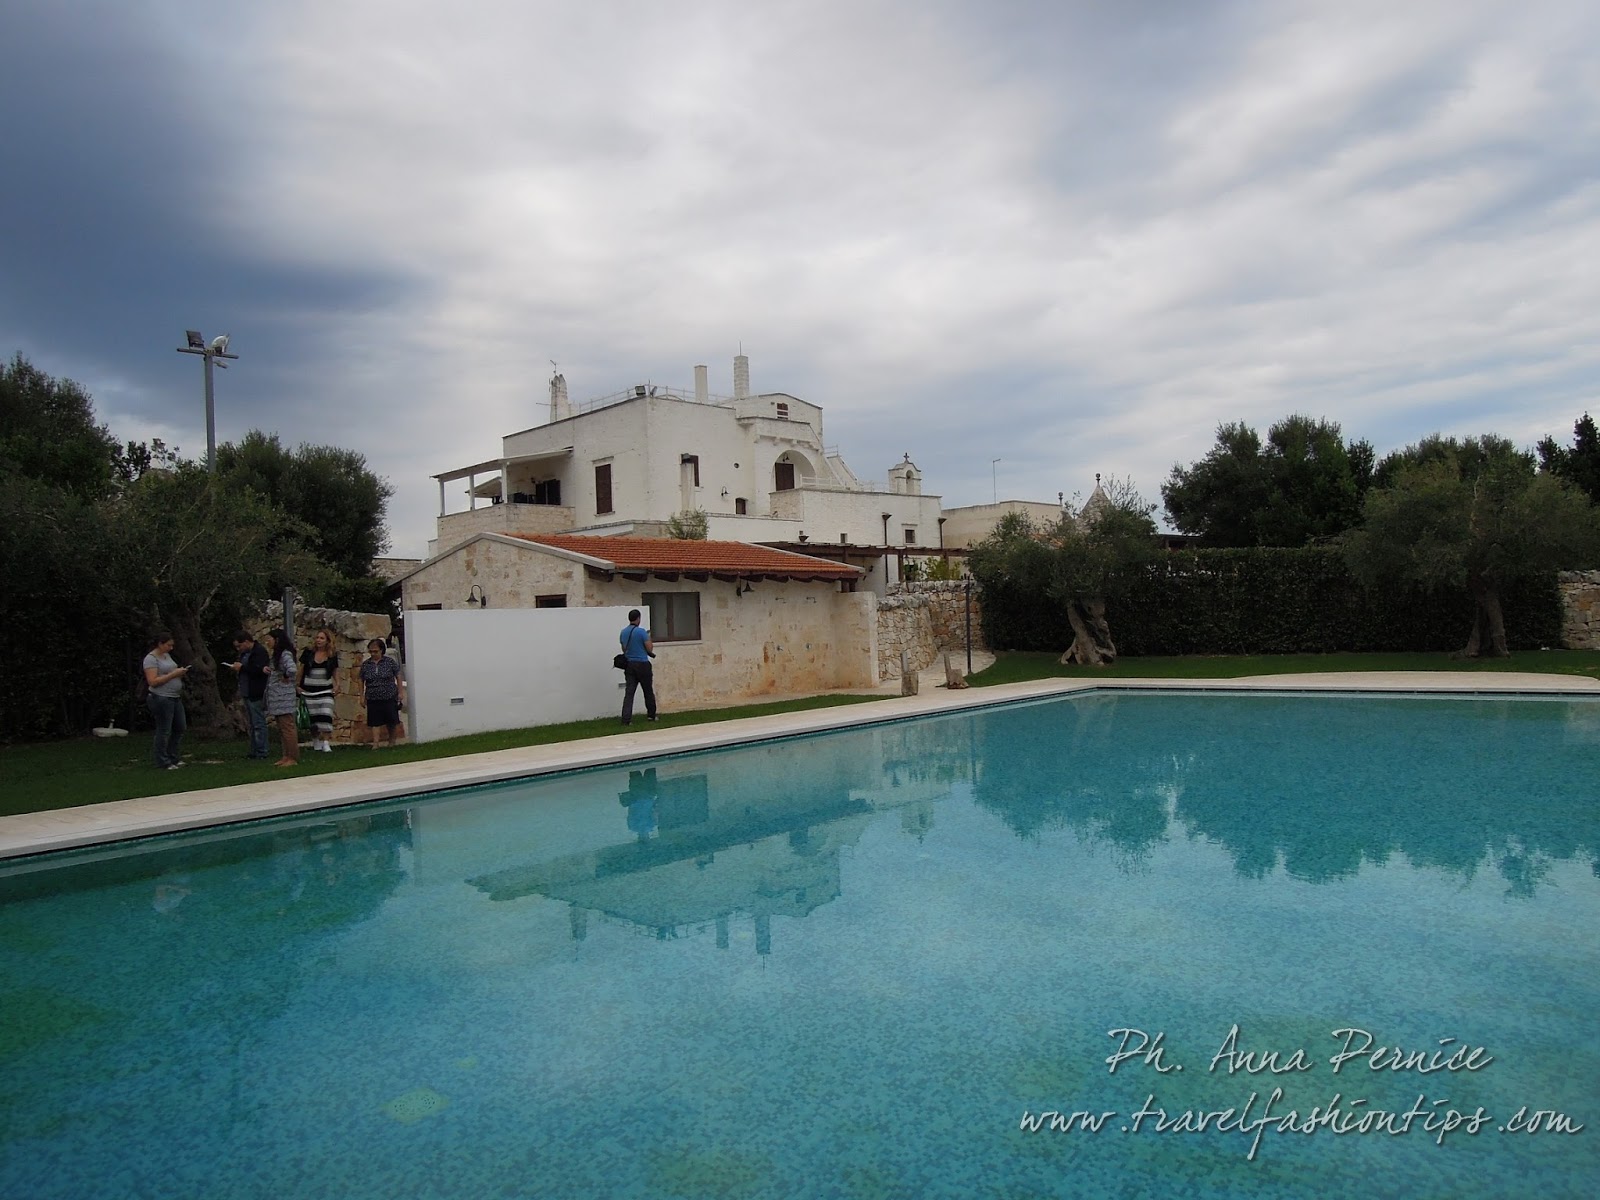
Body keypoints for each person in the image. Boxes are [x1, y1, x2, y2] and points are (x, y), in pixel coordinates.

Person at [141, 632, 190, 769]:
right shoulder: (150, 659)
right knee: (164, 729)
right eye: (168, 645)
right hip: (161, 697)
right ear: (160, 644)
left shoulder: (166, 655)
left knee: (180, 727)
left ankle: (173, 756)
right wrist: (173, 674)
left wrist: (179, 673)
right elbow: (153, 681)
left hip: (175, 696)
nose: (171, 648)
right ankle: (162, 760)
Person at [226, 631, 271, 759]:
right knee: (251, 723)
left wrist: (242, 668)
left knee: (258, 723)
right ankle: (254, 749)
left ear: (246, 642)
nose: (238, 649)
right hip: (246, 690)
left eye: (239, 646)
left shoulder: (259, 652)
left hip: (255, 691)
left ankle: (262, 750)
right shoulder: (245, 654)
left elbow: (259, 670)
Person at [357, 639, 404, 749]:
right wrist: (361, 696)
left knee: (391, 720)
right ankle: (376, 743)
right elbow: (360, 679)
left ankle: (392, 741)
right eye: (371, 651)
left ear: (381, 650)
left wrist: (400, 692)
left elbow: (398, 675)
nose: (373, 654)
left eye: (375, 651)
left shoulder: (389, 662)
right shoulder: (366, 664)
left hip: (389, 695)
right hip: (373, 696)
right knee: (375, 721)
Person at [298, 629, 339, 753]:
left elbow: (335, 671)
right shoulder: (308, 653)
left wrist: (337, 684)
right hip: (309, 690)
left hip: (325, 690)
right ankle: (316, 740)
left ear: (327, 641)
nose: (318, 640)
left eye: (322, 638)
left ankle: (326, 742)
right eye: (317, 638)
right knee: (313, 719)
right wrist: (297, 685)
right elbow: (301, 670)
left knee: (326, 714)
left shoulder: (332, 655)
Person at [264, 628, 299, 767]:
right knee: (282, 729)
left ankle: (292, 757)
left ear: (277, 640)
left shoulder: (285, 654)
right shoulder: (277, 655)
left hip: (284, 697)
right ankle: (286, 755)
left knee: (288, 728)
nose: (267, 642)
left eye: (269, 639)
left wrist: (285, 676)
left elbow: (292, 669)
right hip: (277, 698)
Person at [618, 608, 657, 725]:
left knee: (629, 693)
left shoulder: (623, 632)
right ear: (638, 618)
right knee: (648, 691)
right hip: (643, 664)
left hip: (629, 665)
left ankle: (626, 719)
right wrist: (648, 638)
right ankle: (651, 715)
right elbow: (649, 648)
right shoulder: (642, 632)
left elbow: (624, 649)